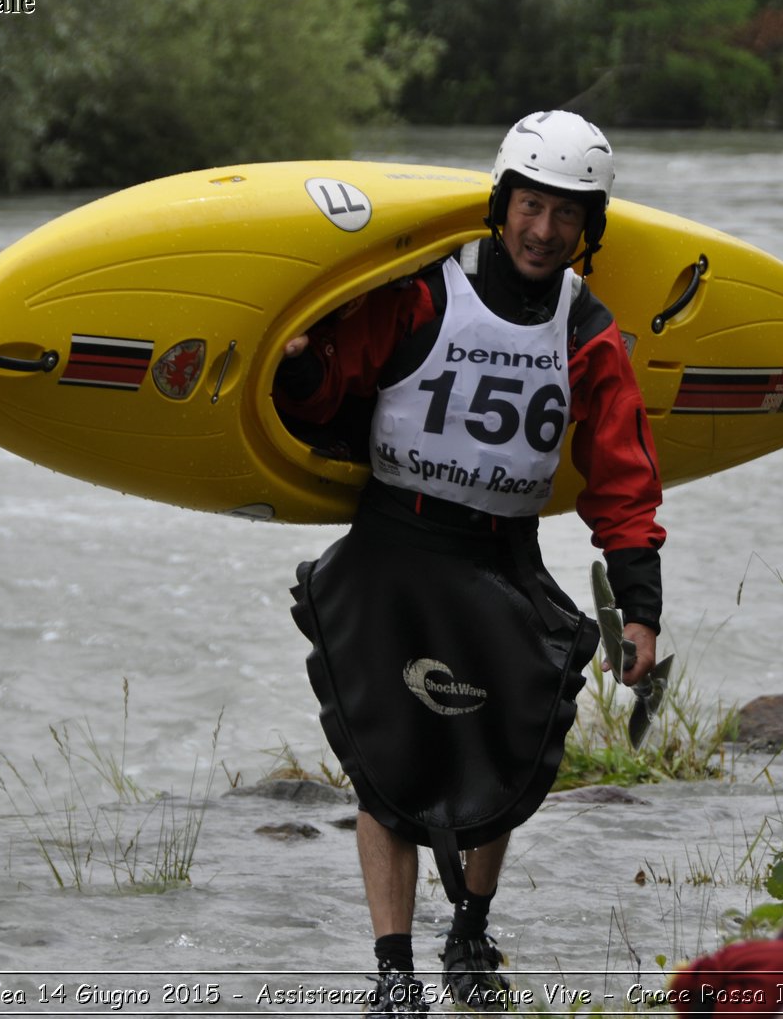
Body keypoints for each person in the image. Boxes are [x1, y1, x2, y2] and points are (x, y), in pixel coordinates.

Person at [276, 110, 666, 1015]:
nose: (542, 231)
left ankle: (470, 926)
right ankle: (393, 972)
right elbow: (339, 383)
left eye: (566, 215)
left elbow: (623, 476)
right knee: (386, 764)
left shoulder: (589, 331)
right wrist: (298, 372)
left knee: (510, 740)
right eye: (530, 206)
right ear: (502, 205)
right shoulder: (420, 291)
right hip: (394, 550)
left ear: (587, 229)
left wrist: (638, 605)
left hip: (503, 556)